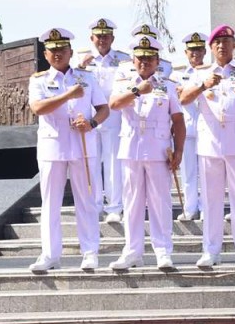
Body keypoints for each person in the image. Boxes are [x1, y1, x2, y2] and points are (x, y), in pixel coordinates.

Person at [180, 25, 235, 268]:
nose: (222, 46)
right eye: (217, 42)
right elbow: (183, 99)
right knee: (211, 200)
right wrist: (203, 85)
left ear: (234, 45)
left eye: (226, 42)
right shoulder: (201, 73)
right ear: (210, 48)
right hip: (210, 145)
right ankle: (211, 250)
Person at [28, 28, 109, 272]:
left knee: (86, 200)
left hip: (82, 145)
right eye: (52, 51)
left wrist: (92, 123)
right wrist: (67, 95)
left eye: (62, 50)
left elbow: (104, 109)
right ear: (45, 53)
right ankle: (50, 254)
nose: (57, 54)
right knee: (50, 202)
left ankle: (90, 252)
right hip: (53, 146)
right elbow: (38, 107)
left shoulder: (86, 77)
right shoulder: (39, 79)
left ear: (70, 52)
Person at [108, 35, 186, 270]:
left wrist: (180, 149)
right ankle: (132, 251)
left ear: (157, 60)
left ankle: (163, 251)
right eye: (140, 57)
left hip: (159, 149)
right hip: (131, 148)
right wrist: (136, 91)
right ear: (133, 59)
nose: (145, 62)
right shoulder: (123, 82)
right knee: (132, 202)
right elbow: (113, 104)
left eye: (150, 58)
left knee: (160, 202)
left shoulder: (168, 85)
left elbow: (178, 120)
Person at [74, 18, 130, 221]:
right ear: (92, 38)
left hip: (114, 115)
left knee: (114, 161)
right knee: (92, 161)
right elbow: (72, 83)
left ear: (112, 38)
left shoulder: (124, 60)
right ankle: (95, 204)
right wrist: (80, 66)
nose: (103, 39)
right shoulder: (81, 59)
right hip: (89, 116)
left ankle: (114, 207)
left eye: (106, 36)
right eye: (99, 36)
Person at [169, 32, 209, 221]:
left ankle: (206, 208)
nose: (196, 53)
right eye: (192, 50)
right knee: (188, 172)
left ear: (205, 51)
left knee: (207, 173)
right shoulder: (177, 74)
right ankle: (190, 207)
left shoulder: (211, 72)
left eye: (199, 49)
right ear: (186, 52)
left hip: (208, 129)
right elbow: (175, 100)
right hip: (186, 128)